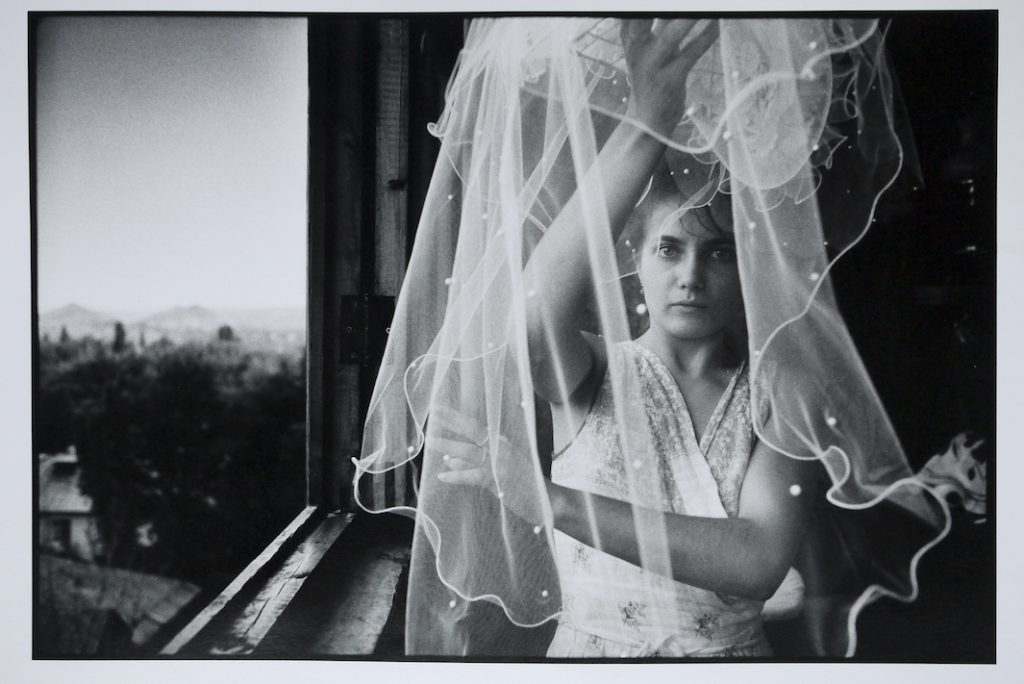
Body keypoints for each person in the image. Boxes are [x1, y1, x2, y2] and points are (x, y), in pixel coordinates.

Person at [358, 16, 950, 658]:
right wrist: (646, 124)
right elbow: (528, 312)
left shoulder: (784, 389)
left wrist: (552, 502)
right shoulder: (590, 372)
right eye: (669, 248)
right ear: (634, 257)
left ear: (747, 267)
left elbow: (757, 562)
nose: (691, 275)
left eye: (720, 253)